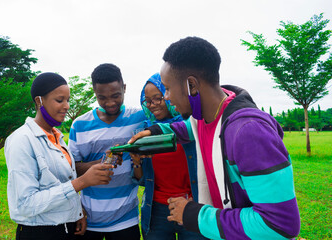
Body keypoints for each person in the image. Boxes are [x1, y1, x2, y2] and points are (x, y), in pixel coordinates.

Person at [129, 37, 301, 240]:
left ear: (191, 85)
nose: (166, 97)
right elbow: (183, 129)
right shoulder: (204, 118)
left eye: (167, 88)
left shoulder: (249, 133)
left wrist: (195, 215)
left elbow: (279, 224)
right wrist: (154, 132)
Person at [5, 72, 114, 240]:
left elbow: (61, 180)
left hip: (67, 228)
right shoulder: (22, 140)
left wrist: (77, 212)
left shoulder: (58, 137)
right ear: (39, 101)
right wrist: (82, 182)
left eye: (68, 100)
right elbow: (25, 204)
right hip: (40, 232)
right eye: (59, 100)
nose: (67, 106)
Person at [68, 63, 145, 240]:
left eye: (116, 95)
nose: (110, 103)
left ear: (124, 88)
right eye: (102, 98)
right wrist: (100, 163)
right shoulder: (79, 125)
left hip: (126, 221)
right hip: (89, 220)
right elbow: (71, 169)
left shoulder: (139, 118)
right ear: (95, 93)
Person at [131, 73, 207, 240]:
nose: (152, 105)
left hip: (191, 205)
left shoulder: (191, 126)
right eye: (148, 101)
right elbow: (143, 180)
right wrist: (137, 163)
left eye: (158, 98)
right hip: (157, 210)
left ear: (168, 95)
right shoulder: (144, 132)